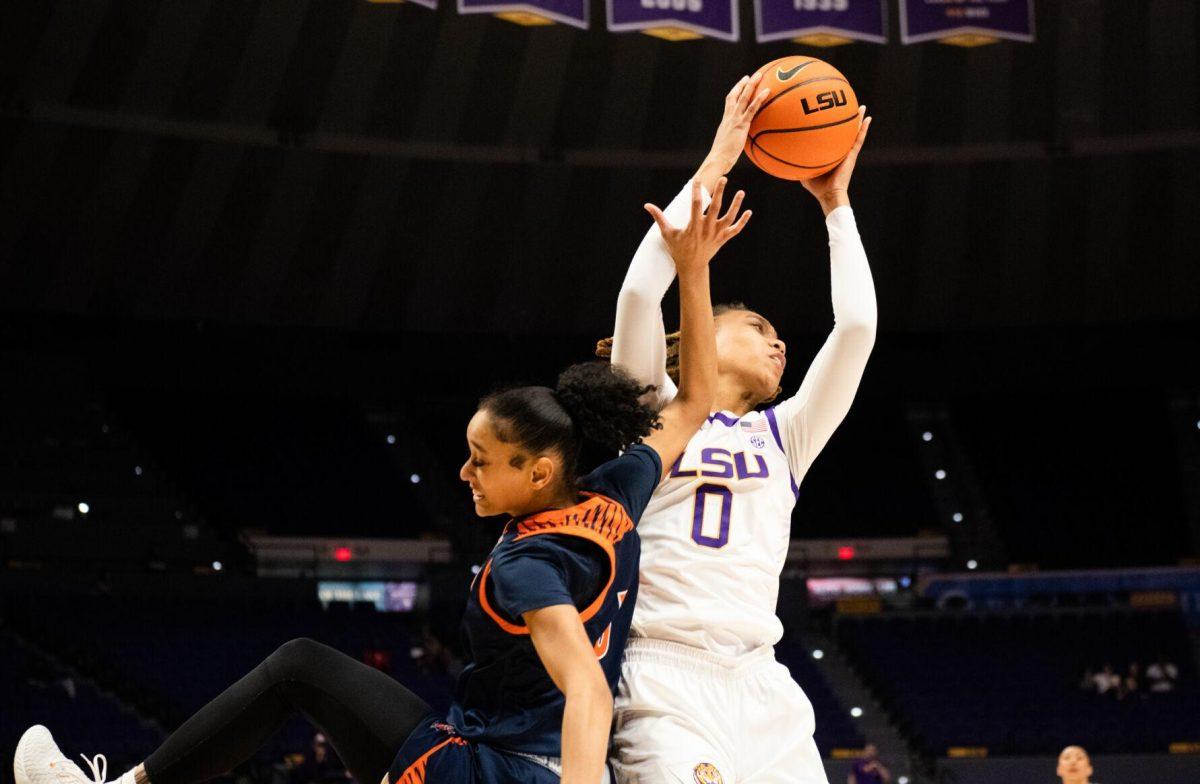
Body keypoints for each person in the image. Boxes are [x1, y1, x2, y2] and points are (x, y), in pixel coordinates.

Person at [12, 184, 750, 784]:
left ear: (539, 470)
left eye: (480, 458)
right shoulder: (615, 494)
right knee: (304, 669)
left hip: (493, 773)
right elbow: (693, 402)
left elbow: (587, 690)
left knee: (300, 665)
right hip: (522, 760)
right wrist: (694, 269)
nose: (463, 472)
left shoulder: (529, 562)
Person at [598, 73, 875, 784]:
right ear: (701, 331)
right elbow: (638, 292)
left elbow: (858, 327)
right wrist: (721, 155)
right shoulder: (649, 406)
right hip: (662, 675)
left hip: (762, 681)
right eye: (757, 327)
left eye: (780, 334)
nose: (778, 343)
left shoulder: (787, 436)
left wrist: (836, 206)